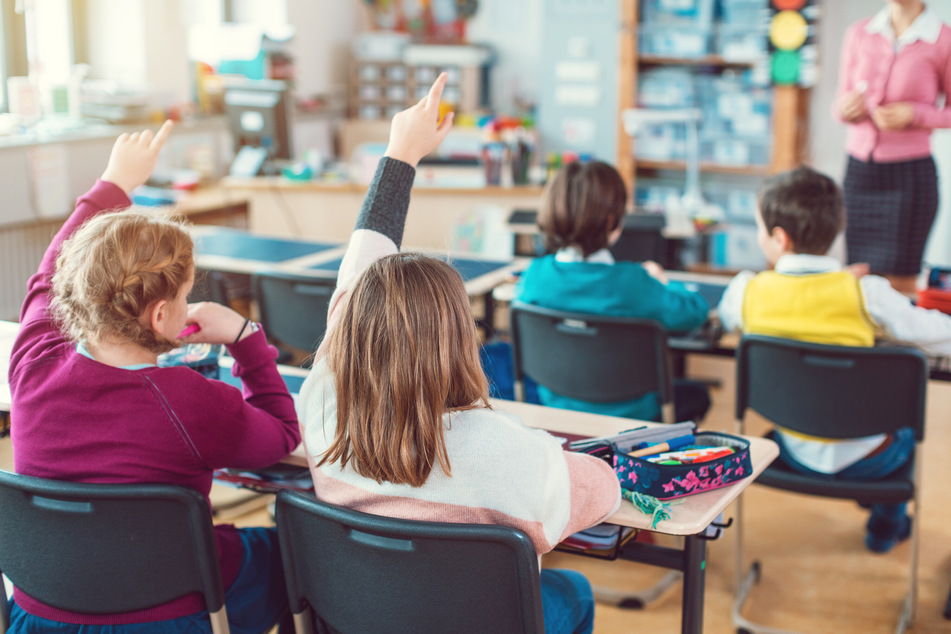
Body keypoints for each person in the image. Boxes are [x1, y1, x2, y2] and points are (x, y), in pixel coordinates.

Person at [297, 73, 621, 634]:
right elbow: (601, 490)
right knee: (571, 590)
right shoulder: (503, 452)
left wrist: (401, 154)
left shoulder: (321, 401)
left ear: (350, 328)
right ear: (458, 339)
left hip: (363, 613)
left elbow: (356, 276)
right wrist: (547, 450)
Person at [7, 121, 301, 632]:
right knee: (293, 551)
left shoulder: (33, 363)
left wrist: (112, 182)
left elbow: (44, 280)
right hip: (166, 615)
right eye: (187, 294)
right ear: (163, 316)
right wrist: (247, 337)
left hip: (42, 612)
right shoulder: (194, 401)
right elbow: (283, 435)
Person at [718, 166, 951, 553]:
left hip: (791, 447)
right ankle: (885, 528)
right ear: (837, 228)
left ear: (779, 237)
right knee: (906, 432)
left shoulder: (746, 291)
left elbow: (721, 321)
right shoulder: (867, 294)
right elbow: (941, 336)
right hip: (871, 459)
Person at [514, 160, 711, 423]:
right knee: (698, 394)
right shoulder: (635, 283)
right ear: (611, 221)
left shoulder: (534, 276)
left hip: (556, 411)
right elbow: (694, 312)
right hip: (631, 418)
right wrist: (662, 282)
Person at [834, 0, 951, 294]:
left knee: (898, 286)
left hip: (910, 177)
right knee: (858, 282)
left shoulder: (943, 39)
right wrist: (846, 109)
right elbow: (838, 105)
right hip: (859, 173)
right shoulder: (859, 32)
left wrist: (916, 115)